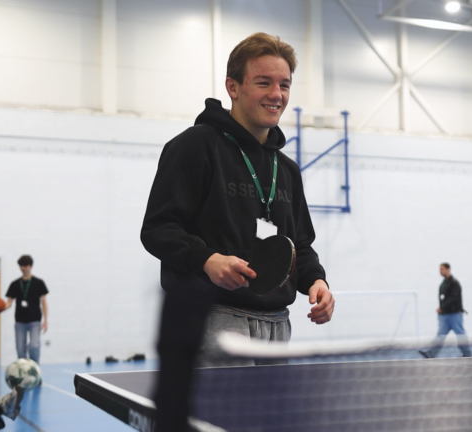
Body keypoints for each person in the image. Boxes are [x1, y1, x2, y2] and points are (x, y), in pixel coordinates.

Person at [140, 33, 335, 432]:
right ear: (233, 87)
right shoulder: (195, 146)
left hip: (277, 325)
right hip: (217, 320)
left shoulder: (288, 169)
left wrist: (316, 282)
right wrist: (206, 259)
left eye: (284, 85)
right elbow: (157, 229)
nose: (276, 94)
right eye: (263, 82)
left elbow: (300, 245)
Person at [419, 263, 472, 358]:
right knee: (440, 336)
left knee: (460, 335)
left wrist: (442, 307)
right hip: (445, 316)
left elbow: (453, 298)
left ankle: (467, 353)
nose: (440, 271)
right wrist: (442, 311)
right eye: (440, 269)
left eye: (442, 269)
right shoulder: (443, 284)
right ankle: (431, 353)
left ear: (448, 269)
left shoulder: (454, 283)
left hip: (455, 315)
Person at [4, 255, 48, 364]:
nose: (23, 268)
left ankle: (34, 370)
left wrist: (45, 321)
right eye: (21, 266)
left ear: (31, 266)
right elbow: (9, 302)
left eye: (25, 266)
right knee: (20, 350)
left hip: (35, 321)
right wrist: (0, 308)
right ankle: (23, 374)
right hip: (20, 322)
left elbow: (44, 302)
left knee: (34, 346)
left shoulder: (38, 283)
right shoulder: (14, 284)